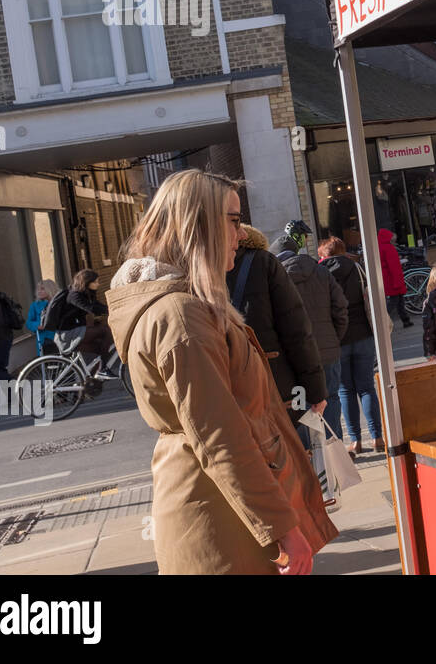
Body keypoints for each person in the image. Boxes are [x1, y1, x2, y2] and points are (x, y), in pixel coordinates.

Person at [107, 170, 335, 575]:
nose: (242, 234)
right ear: (199, 226)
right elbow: (220, 436)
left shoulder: (187, 306)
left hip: (228, 513)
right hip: (222, 523)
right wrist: (282, 527)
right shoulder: (181, 315)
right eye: (232, 220)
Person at [227, 225, 328, 436]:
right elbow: (296, 331)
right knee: (294, 453)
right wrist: (316, 391)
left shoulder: (193, 269)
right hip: (278, 388)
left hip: (229, 395)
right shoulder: (263, 263)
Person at [273, 229, 348, 440]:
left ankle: (314, 461)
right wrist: (334, 338)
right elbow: (341, 308)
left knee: (302, 406)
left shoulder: (278, 281)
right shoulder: (321, 272)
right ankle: (336, 451)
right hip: (328, 353)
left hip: (298, 357)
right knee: (331, 399)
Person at [318, 238, 385, 457]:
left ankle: (356, 441)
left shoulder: (319, 272)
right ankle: (377, 437)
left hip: (338, 338)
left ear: (324, 254)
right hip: (363, 333)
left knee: (345, 390)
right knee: (366, 387)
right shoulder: (356, 268)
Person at [376, 228, 414, 328]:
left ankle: (406, 320)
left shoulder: (380, 247)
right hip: (393, 279)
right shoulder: (389, 248)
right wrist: (398, 282)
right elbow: (394, 267)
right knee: (395, 301)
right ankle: (383, 321)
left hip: (388, 278)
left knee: (398, 301)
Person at [26, 279, 59, 357]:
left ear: (50, 289)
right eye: (38, 289)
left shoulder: (57, 303)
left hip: (58, 337)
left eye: (42, 289)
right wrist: (38, 325)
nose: (39, 291)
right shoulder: (35, 305)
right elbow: (29, 322)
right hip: (43, 340)